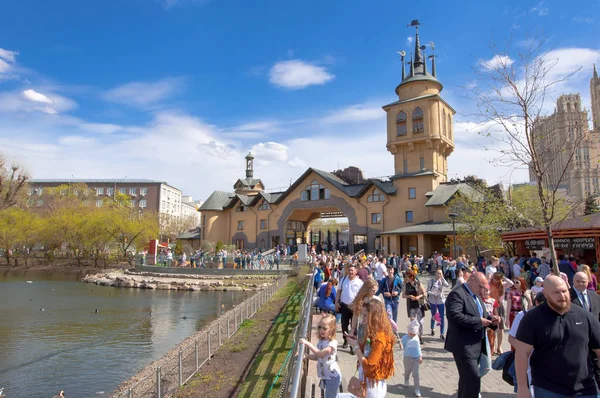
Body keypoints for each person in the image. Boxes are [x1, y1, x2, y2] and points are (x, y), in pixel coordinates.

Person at [514, 275, 600, 398]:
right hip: (548, 389)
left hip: (585, 389)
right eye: (556, 293)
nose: (562, 296)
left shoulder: (585, 316)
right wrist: (522, 387)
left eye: (564, 291)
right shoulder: (532, 318)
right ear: (545, 293)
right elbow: (521, 353)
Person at [444, 272, 500, 398]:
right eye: (480, 286)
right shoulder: (457, 294)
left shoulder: (476, 296)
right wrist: (479, 321)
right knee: (473, 380)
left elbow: (482, 316)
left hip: (477, 345)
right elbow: (454, 316)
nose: (482, 290)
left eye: (483, 288)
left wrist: (492, 320)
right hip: (463, 345)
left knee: (466, 380)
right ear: (472, 279)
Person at [346, 299, 396, 398]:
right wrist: (357, 342)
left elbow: (369, 366)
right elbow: (366, 353)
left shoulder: (380, 338)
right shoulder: (372, 333)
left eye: (365, 315)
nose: (362, 319)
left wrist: (356, 347)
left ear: (374, 317)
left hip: (373, 387)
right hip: (366, 382)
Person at [507, 292, 547, 393]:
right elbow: (511, 338)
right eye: (543, 303)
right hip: (528, 363)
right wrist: (523, 353)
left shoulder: (552, 317)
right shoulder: (523, 315)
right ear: (536, 302)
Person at [300, 314, 341, 398]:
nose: (321, 330)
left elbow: (320, 354)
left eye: (324, 328)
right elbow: (317, 357)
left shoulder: (332, 344)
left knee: (330, 396)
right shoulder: (321, 341)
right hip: (325, 376)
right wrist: (307, 356)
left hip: (332, 378)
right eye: (319, 327)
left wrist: (308, 344)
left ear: (332, 330)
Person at [335, 264, 364, 350]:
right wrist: (337, 302)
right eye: (349, 270)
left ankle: (352, 345)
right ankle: (345, 340)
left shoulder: (359, 282)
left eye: (352, 270)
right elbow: (339, 292)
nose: (350, 272)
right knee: (344, 325)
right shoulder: (343, 280)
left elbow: (362, 295)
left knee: (354, 326)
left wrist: (359, 305)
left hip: (355, 307)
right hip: (344, 306)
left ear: (356, 271)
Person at [489, 272, 513, 354]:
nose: (496, 281)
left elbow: (511, 283)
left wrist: (503, 277)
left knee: (500, 328)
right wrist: (491, 277)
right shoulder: (489, 284)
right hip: (491, 305)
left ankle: (499, 347)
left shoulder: (502, 284)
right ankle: (493, 346)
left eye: (498, 279)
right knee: (492, 327)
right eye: (495, 278)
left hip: (499, 305)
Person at [402, 270, 427, 344]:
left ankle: (420, 336)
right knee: (413, 322)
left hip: (419, 304)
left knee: (420, 322)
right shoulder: (406, 285)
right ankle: (414, 336)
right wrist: (409, 296)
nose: (407, 278)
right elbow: (403, 295)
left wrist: (418, 296)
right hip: (411, 305)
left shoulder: (418, 283)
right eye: (406, 276)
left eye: (408, 276)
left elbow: (424, 293)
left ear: (412, 276)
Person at [402, 319, 423, 397]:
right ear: (408, 331)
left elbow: (418, 348)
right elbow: (403, 346)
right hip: (407, 357)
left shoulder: (416, 337)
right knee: (407, 371)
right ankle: (406, 379)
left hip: (416, 358)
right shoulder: (404, 338)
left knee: (415, 374)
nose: (413, 335)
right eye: (411, 333)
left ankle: (417, 389)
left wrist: (420, 356)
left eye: (414, 334)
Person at [427, 268, 450, 339]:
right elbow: (428, 291)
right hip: (433, 301)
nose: (439, 275)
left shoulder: (442, 281)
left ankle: (442, 333)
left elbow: (447, 285)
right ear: (435, 274)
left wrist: (443, 278)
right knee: (434, 316)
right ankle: (432, 328)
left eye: (441, 273)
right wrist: (433, 294)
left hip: (441, 301)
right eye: (438, 273)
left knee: (441, 317)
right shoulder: (431, 281)